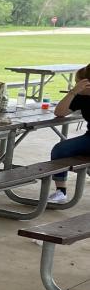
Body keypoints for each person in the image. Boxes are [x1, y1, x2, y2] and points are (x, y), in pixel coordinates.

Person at [47, 63, 90, 203]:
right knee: (60, 150)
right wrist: (73, 92)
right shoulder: (81, 97)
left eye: (78, 82)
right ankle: (61, 192)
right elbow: (60, 112)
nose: (76, 85)